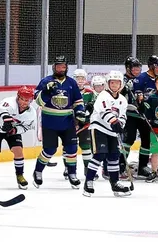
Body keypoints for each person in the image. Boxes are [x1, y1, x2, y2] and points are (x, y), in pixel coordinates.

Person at [32, 56, 86, 189]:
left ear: (66, 67)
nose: (61, 69)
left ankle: (72, 174)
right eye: (58, 66)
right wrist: (46, 92)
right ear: (54, 67)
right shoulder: (46, 81)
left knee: (72, 149)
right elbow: (38, 102)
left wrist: (79, 112)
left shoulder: (71, 83)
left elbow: (78, 101)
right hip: (50, 122)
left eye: (63, 66)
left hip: (68, 122)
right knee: (49, 150)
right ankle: (38, 171)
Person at [83, 71, 130, 197]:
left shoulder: (122, 99)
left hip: (112, 132)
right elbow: (104, 111)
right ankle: (88, 181)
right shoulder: (103, 95)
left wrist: (121, 125)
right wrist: (114, 121)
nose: (114, 85)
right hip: (99, 128)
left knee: (114, 156)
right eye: (112, 82)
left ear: (121, 84)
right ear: (108, 83)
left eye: (117, 82)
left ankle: (115, 183)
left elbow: (123, 115)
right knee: (100, 154)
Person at [106, 57, 141, 180]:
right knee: (125, 140)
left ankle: (133, 165)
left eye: (138, 68)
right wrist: (125, 89)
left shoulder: (140, 79)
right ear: (128, 68)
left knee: (134, 140)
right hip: (126, 114)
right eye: (134, 68)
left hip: (138, 114)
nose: (137, 70)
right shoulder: (122, 79)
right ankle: (119, 165)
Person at [132, 55, 158, 177]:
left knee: (146, 141)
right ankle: (119, 164)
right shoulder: (141, 78)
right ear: (151, 66)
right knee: (128, 140)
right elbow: (136, 94)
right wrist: (139, 101)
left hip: (149, 116)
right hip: (134, 115)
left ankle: (143, 166)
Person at [70, 68, 94, 177]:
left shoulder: (90, 93)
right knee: (70, 147)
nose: (80, 80)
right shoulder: (69, 91)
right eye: (78, 78)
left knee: (86, 146)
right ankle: (69, 169)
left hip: (85, 124)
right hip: (70, 124)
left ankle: (87, 169)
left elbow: (94, 107)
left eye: (82, 78)